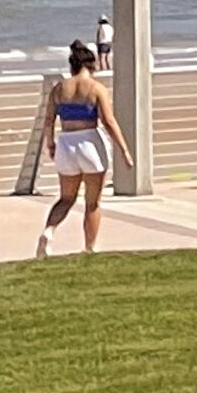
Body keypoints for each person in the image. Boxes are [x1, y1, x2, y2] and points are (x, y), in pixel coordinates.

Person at [36, 41, 123, 257]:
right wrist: (124, 150)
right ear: (91, 65)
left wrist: (51, 143)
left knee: (66, 198)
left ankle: (49, 230)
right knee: (92, 202)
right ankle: (90, 246)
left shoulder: (59, 88)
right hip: (90, 142)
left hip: (66, 142)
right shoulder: (96, 88)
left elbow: (48, 120)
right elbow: (109, 121)